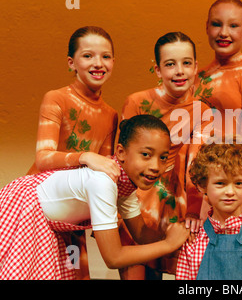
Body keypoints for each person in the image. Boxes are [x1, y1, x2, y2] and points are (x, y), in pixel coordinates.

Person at [0, 114, 190, 280]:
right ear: (121, 153)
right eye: (146, 154)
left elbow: (142, 236)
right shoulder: (103, 182)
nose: (156, 166)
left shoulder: (124, 186)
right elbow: (113, 258)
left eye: (163, 157)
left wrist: (176, 233)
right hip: (25, 210)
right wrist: (168, 244)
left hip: (50, 224)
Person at [26, 26, 120, 279]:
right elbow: (43, 158)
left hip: (74, 214)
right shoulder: (56, 98)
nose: (98, 63)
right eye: (88, 56)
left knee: (75, 274)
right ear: (71, 63)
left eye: (106, 56)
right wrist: (85, 156)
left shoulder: (110, 114)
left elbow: (106, 170)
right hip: (39, 206)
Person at [119, 32, 213, 279]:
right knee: (137, 266)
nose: (179, 71)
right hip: (136, 195)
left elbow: (197, 161)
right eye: (170, 64)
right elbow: (123, 158)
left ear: (195, 67)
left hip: (175, 195)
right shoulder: (136, 102)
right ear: (158, 70)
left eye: (186, 63)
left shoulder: (201, 110)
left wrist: (193, 209)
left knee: (186, 266)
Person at [193, 0, 242, 214]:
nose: (224, 32)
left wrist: (222, 181)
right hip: (198, 180)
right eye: (217, 24)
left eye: (233, 26)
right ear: (207, 27)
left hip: (228, 183)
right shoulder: (198, 75)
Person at [176, 140, 242, 280]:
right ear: (202, 185)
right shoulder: (195, 237)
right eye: (220, 183)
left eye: (238, 183)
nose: (230, 191)